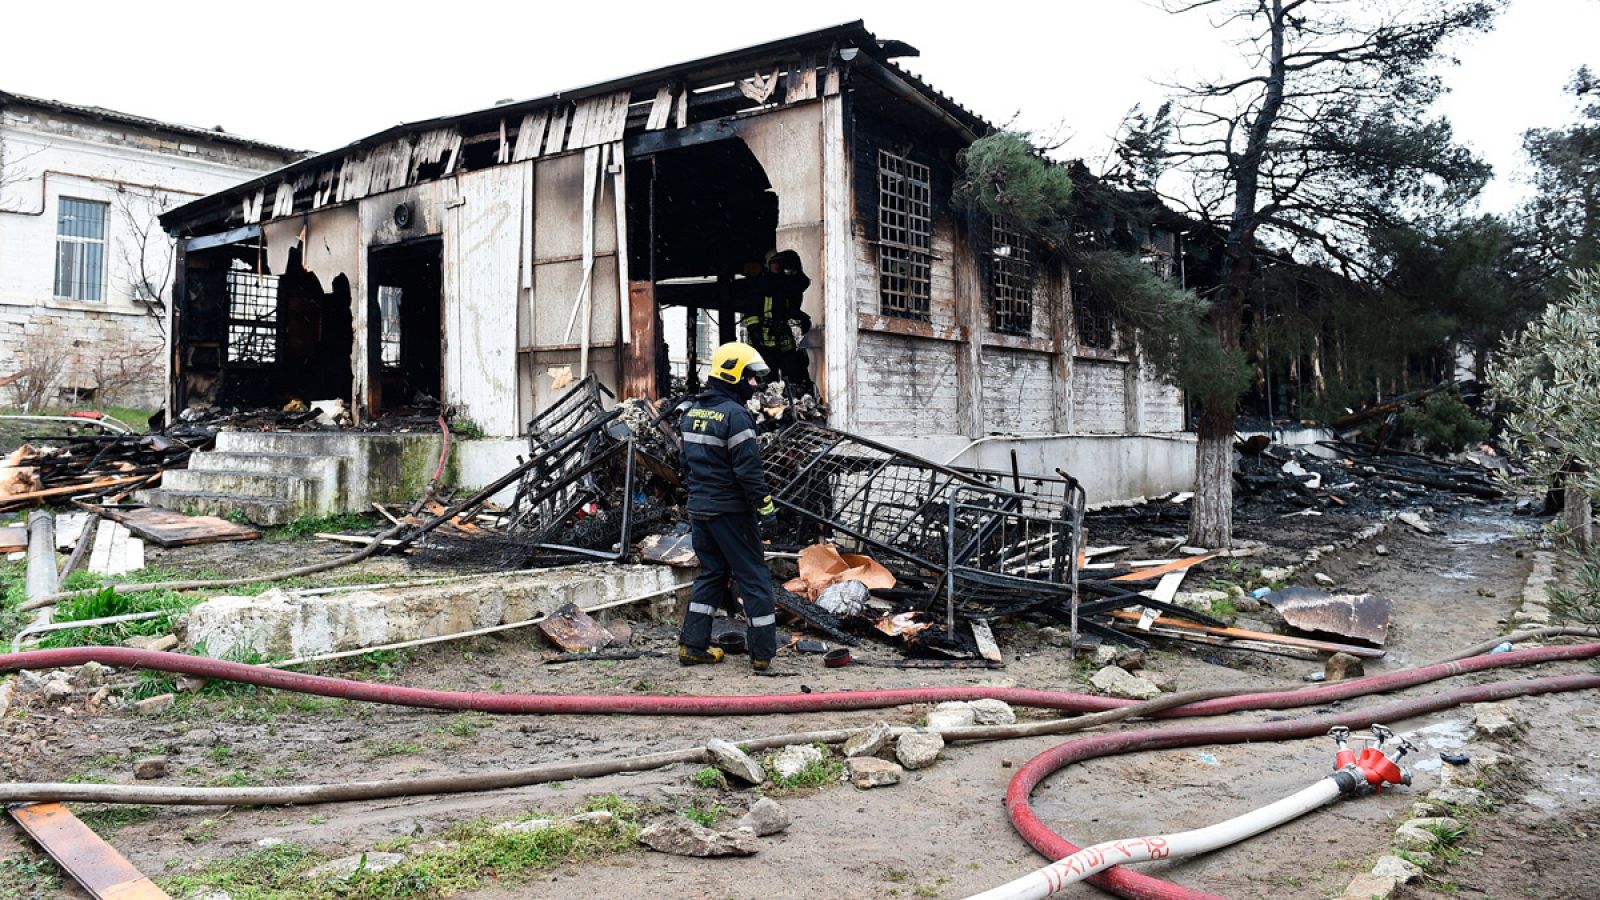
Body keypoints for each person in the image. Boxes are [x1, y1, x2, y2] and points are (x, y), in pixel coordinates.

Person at [678, 341, 782, 672]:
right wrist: (766, 511)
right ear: (731, 374)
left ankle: (692, 646)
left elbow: (685, 465)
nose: (755, 385)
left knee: (711, 573)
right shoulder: (736, 416)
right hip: (732, 513)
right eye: (750, 378)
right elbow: (749, 473)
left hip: (700, 511)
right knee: (753, 577)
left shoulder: (692, 413)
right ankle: (763, 653)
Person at [741, 249, 814, 394]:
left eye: (780, 262)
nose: (777, 265)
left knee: (793, 370)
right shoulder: (759, 284)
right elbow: (751, 310)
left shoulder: (787, 283)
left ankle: (795, 400)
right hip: (763, 337)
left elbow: (803, 283)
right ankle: (769, 405)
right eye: (774, 262)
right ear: (767, 264)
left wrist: (795, 264)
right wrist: (755, 331)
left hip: (783, 335)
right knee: (768, 377)